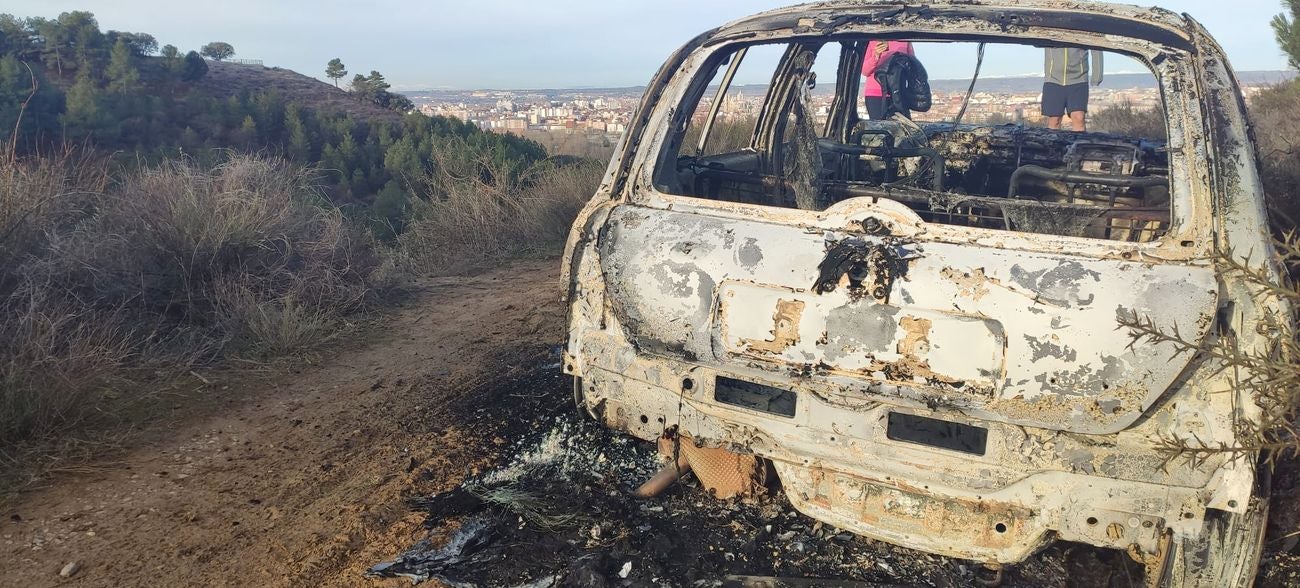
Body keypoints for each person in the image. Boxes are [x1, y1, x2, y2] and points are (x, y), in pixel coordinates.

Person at [1042, 47, 1103, 131]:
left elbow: (1096, 44)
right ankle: (1053, 143)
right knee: (1054, 120)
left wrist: (1097, 75)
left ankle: (1079, 143)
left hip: (1079, 78)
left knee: (1079, 118)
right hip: (1053, 79)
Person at [862, 40, 914, 120]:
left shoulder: (904, 39)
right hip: (876, 94)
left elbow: (913, 66)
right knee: (879, 129)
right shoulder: (872, 40)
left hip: (898, 93)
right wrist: (876, 55)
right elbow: (865, 70)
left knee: (901, 129)